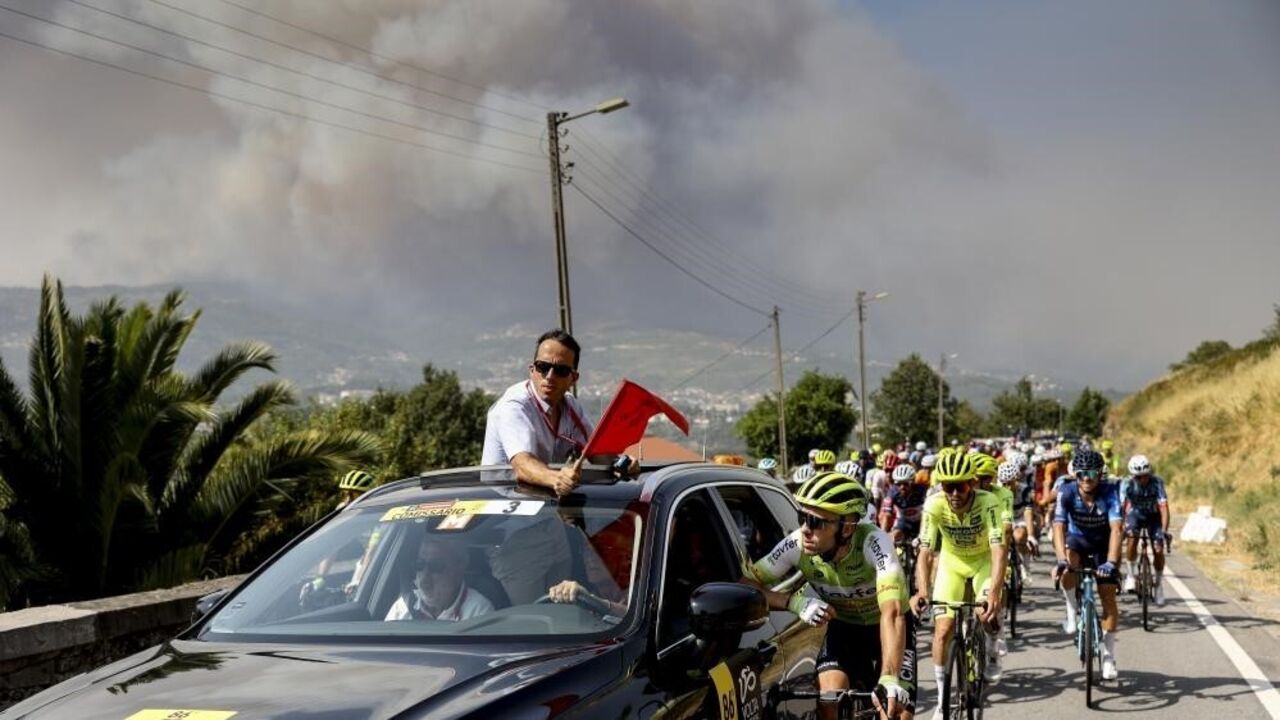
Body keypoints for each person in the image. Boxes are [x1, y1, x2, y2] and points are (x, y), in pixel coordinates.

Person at [743, 472, 914, 720]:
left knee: (895, 713)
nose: (804, 529)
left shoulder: (873, 543)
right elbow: (746, 585)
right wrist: (793, 602)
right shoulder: (797, 545)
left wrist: (889, 676)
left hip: (886, 628)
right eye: (802, 517)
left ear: (846, 527)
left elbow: (893, 612)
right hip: (844, 628)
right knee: (828, 700)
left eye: (816, 522)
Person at [909, 452, 1006, 716]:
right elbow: (926, 552)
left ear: (972, 483)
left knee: (985, 614)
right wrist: (922, 591)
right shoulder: (934, 504)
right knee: (942, 631)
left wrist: (995, 592)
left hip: (983, 561)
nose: (954, 493)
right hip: (952, 563)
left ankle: (993, 643)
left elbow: (999, 549)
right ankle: (942, 702)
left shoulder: (989, 502)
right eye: (947, 486)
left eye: (960, 486)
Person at [481, 330, 633, 496]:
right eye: (543, 367)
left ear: (573, 378)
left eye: (560, 370)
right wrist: (556, 479)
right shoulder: (514, 406)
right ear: (532, 370)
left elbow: (596, 452)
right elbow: (523, 465)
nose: (550, 376)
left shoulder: (571, 406)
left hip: (545, 507)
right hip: (502, 508)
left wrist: (622, 463)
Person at [1051, 448, 1122, 680]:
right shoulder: (1066, 491)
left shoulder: (1111, 492)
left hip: (1103, 544)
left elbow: (1116, 529)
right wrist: (1061, 559)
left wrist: (1111, 562)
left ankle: (1109, 656)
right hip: (1077, 539)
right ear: (1076, 475)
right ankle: (1071, 609)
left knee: (1108, 595)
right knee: (1069, 561)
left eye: (1092, 473)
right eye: (1081, 473)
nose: (1087, 478)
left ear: (1100, 474)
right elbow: (1059, 527)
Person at [386, 536, 495, 621]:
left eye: (436, 566)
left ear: (459, 567)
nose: (425, 577)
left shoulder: (478, 611)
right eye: (419, 564)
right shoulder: (403, 607)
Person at [1121, 455, 1171, 605]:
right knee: (1131, 538)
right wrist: (1121, 526)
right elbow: (1121, 507)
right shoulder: (1126, 483)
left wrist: (1164, 530)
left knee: (1158, 549)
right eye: (1138, 477)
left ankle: (1159, 585)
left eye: (1145, 476)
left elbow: (1164, 508)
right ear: (1132, 476)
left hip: (1153, 517)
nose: (1142, 480)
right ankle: (1130, 575)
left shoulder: (1157, 483)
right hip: (1135, 515)